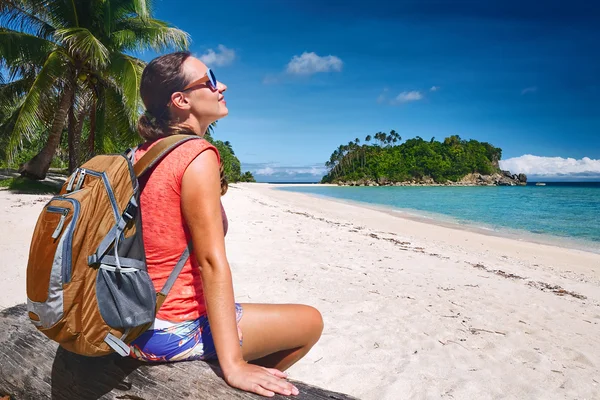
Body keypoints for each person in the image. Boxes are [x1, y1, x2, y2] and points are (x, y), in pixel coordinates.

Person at [128, 51, 324, 397]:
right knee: (310, 321)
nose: (223, 86)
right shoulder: (196, 155)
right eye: (211, 80)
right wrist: (234, 366)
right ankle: (229, 385)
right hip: (169, 327)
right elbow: (210, 263)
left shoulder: (142, 153)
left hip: (129, 319)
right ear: (181, 100)